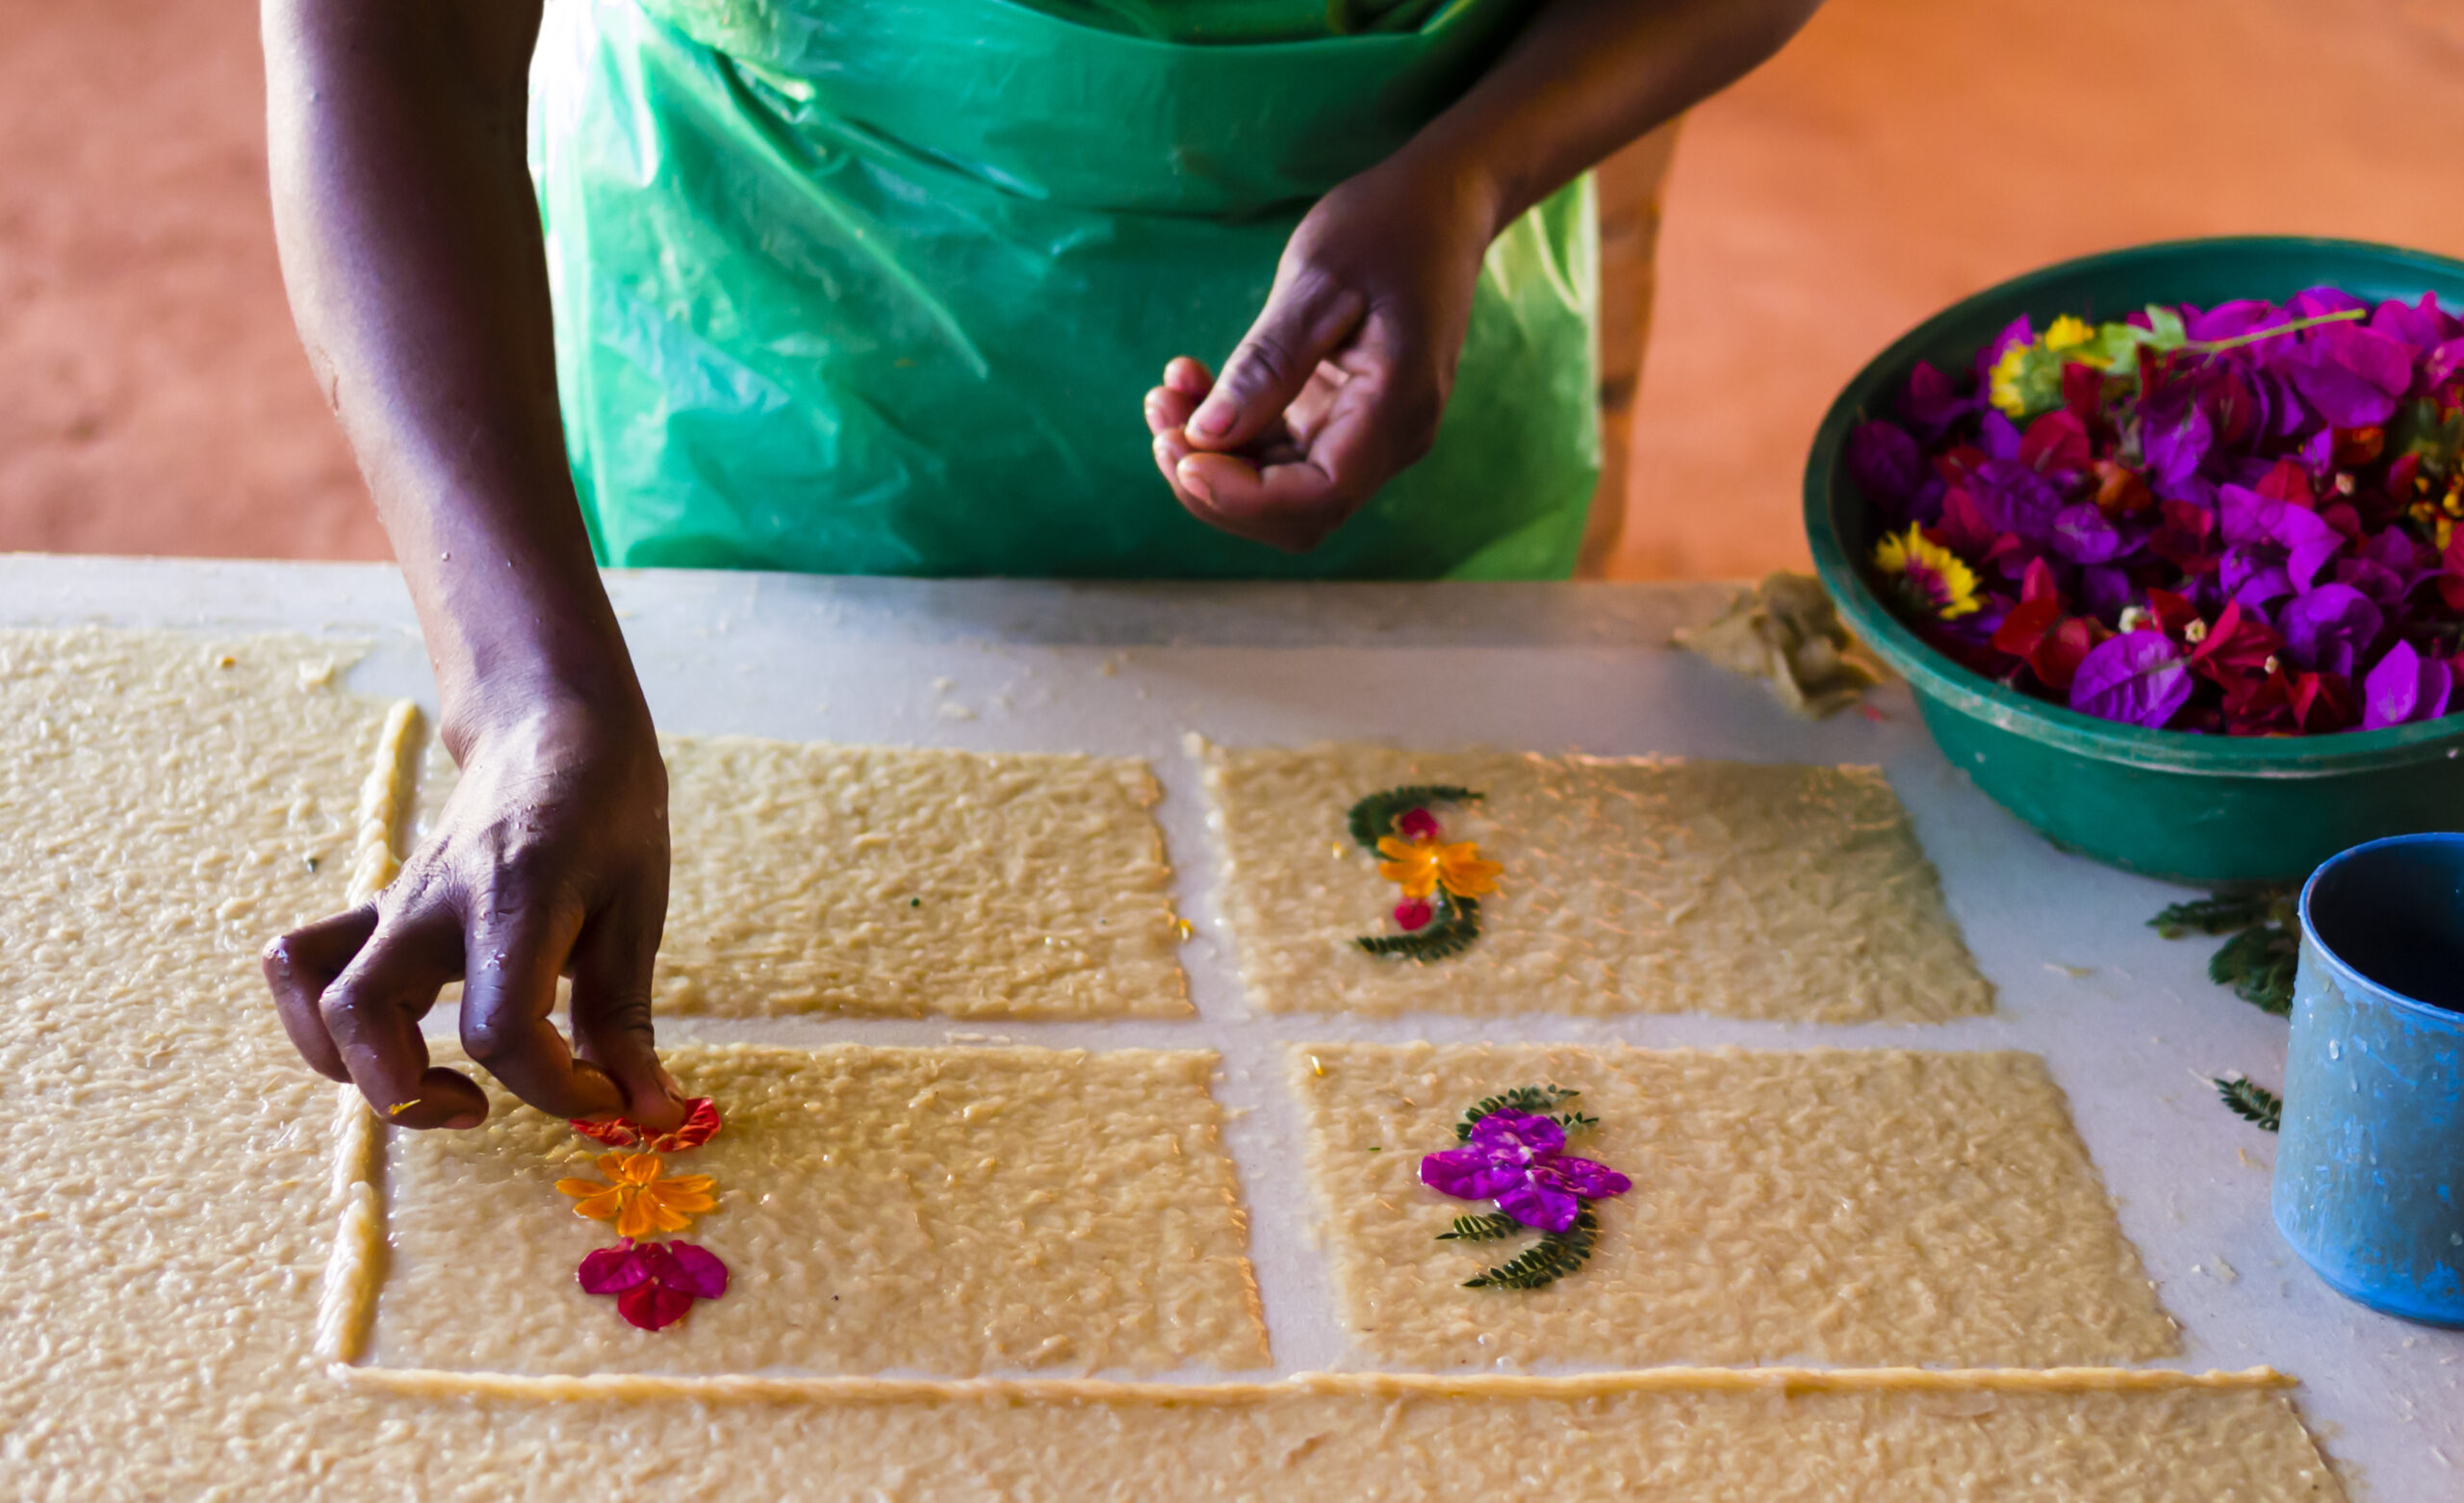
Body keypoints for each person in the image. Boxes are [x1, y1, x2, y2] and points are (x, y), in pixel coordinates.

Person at [259, 0, 1821, 1133]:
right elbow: (390, 38)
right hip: (781, 325)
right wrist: (530, 689)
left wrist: (1481, 165)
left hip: (1414, 326)